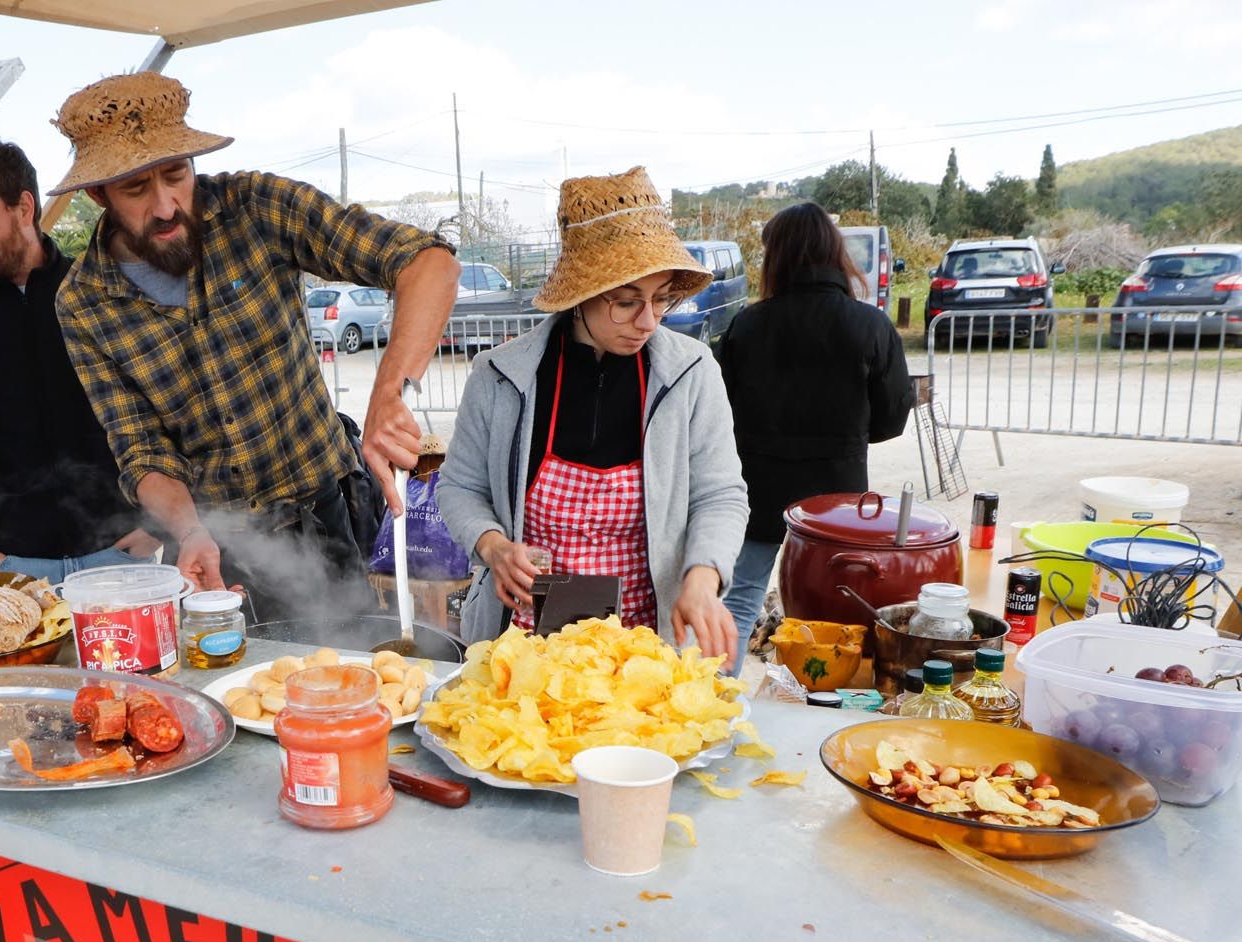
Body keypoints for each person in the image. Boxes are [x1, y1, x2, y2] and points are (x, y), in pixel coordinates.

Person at [49, 72, 459, 621]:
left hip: (325, 513)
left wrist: (389, 391)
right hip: (221, 547)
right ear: (98, 194)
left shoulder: (257, 207)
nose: (167, 206)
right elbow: (140, 449)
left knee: (355, 678)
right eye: (136, 189)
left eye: (176, 175)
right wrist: (190, 530)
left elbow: (427, 263)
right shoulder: (83, 301)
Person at [437, 167, 747, 664]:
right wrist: (494, 547)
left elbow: (720, 494)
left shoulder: (691, 373)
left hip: (643, 642)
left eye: (661, 299)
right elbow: (458, 487)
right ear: (581, 296)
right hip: (521, 643)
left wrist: (703, 578)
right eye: (626, 302)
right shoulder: (500, 375)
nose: (647, 321)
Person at [0, 131, 152, 582]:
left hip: (124, 555)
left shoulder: (102, 290)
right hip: (11, 568)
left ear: (24, 207)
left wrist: (156, 529)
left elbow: (170, 410)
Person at [716, 201, 913, 656]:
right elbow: (892, 418)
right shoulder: (870, 325)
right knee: (833, 611)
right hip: (838, 499)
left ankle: (717, 699)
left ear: (776, 257)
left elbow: (720, 413)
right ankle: (825, 705)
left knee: (740, 598)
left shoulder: (746, 325)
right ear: (834, 252)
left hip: (758, 487)